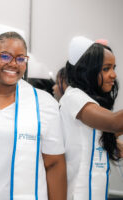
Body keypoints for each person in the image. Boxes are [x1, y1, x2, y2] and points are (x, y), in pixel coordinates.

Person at [0, 24, 66, 200]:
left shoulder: (44, 105)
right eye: (5, 56)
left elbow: (55, 164)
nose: (13, 64)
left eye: (20, 59)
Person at [60, 36, 123, 199]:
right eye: (106, 69)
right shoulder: (74, 97)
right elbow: (114, 123)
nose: (113, 75)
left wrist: (113, 143)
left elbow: (99, 136)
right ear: (88, 71)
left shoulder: (93, 102)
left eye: (113, 68)